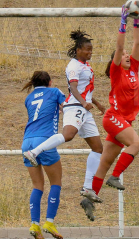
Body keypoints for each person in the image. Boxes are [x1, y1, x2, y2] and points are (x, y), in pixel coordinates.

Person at [23, 29, 106, 221]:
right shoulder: (73, 66)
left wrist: (98, 103)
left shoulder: (86, 65)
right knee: (68, 135)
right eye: (87, 50)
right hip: (75, 106)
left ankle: (87, 188)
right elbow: (74, 89)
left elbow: (86, 90)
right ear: (78, 50)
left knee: (98, 148)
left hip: (84, 108)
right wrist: (83, 102)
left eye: (91, 50)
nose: (90, 53)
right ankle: (34, 153)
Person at [85, 5, 139, 201]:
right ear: (115, 61)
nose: (127, 55)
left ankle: (89, 196)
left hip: (124, 121)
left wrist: (136, 20)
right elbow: (119, 48)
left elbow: (137, 43)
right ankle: (115, 177)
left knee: (105, 161)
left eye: (128, 54)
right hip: (114, 118)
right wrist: (123, 22)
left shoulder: (134, 68)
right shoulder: (116, 72)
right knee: (136, 143)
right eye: (123, 55)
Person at [21, 71, 66, 239]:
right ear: (50, 81)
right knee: (56, 183)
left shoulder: (29, 98)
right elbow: (66, 106)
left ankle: (34, 225)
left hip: (27, 142)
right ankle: (49, 222)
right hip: (45, 140)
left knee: (37, 185)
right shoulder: (55, 92)